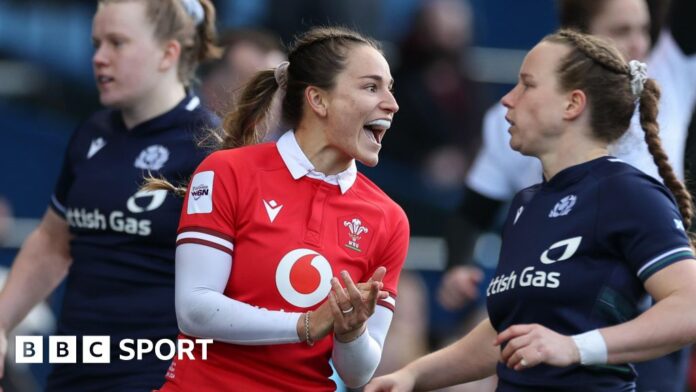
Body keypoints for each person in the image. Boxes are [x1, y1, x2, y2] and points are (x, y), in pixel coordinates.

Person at [366, 28, 696, 392]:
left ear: (572, 104)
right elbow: (505, 332)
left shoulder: (626, 191)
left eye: (527, 85)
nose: (508, 99)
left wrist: (576, 347)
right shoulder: (527, 203)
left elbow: (689, 307)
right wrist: (413, 376)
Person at [151, 26, 409, 391]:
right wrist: (304, 324)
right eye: (371, 87)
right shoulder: (228, 171)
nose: (392, 104)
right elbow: (194, 310)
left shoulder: (389, 219)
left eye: (390, 88)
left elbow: (359, 373)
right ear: (318, 100)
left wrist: (352, 332)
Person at [0, 0, 219, 390]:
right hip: (74, 371)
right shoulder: (92, 134)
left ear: (168, 53)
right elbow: (52, 243)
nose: (98, 57)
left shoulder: (210, 147)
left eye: (117, 43)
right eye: (97, 42)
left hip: (160, 377)